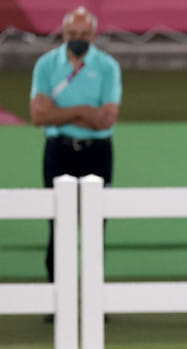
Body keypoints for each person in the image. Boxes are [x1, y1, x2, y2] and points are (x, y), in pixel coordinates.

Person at [29, 6, 121, 288]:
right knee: (58, 224)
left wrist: (61, 112)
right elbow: (38, 115)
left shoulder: (107, 67)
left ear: (93, 35)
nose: (77, 38)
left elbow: (106, 119)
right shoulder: (46, 65)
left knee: (96, 226)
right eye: (72, 33)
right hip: (59, 150)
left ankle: (95, 294)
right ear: (63, 33)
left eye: (83, 34)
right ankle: (57, 293)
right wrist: (84, 111)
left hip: (98, 152)